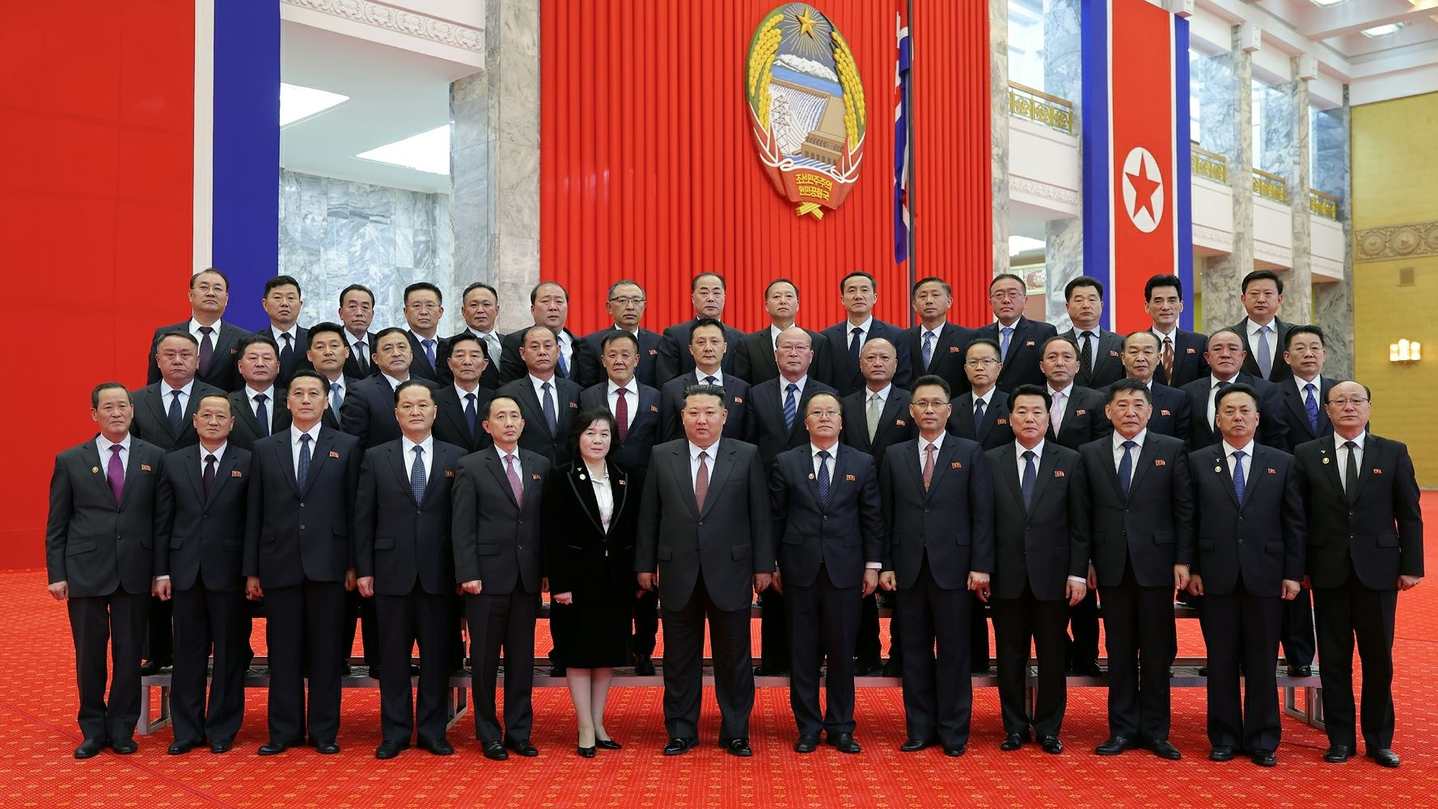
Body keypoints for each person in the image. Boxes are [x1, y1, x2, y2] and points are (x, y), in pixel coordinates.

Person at [636, 384, 774, 757]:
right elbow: (649, 515)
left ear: (724, 416)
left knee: (734, 657)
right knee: (680, 659)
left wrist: (763, 566)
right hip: (677, 570)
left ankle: (735, 731)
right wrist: (644, 564)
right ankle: (681, 730)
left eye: (710, 412)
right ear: (682, 417)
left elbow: (760, 515)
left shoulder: (745, 455)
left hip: (731, 571)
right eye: (694, 412)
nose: (702, 419)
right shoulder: (662, 455)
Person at [1295, 382, 1423, 769]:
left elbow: (1410, 512)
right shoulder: (1306, 454)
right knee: (1334, 660)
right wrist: (1299, 567)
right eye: (1340, 402)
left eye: (1356, 401)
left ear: (1368, 407)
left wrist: (1411, 566)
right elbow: (1298, 518)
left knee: (1378, 659)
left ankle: (1379, 740)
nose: (1349, 407)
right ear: (1328, 410)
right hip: (1327, 571)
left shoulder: (1393, 451)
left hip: (1379, 572)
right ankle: (1340, 739)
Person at [1185, 383, 1304, 767]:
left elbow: (1294, 523)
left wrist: (1292, 573)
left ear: (1257, 418)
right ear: (1216, 419)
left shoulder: (1281, 461)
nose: (1237, 417)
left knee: (1262, 660)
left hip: (1266, 576)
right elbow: (1189, 519)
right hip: (1215, 576)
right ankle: (1223, 737)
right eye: (1229, 410)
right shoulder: (1198, 460)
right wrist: (1194, 568)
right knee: (1220, 660)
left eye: (1244, 411)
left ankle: (1263, 739)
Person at [243, 370, 361, 756]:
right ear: (287, 402)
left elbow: (353, 510)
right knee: (283, 651)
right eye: (298, 393)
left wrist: (353, 564)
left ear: (327, 401)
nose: (306, 399)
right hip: (279, 563)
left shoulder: (346, 445)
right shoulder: (265, 448)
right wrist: (252, 569)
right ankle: (284, 731)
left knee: (327, 652)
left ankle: (324, 731)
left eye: (315, 393)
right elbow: (254, 512)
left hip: (329, 563)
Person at [46, 383, 165, 759]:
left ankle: (122, 727)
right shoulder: (70, 459)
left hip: (135, 569)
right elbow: (57, 523)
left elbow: (161, 521)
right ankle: (93, 728)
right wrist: (57, 572)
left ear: (133, 411)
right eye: (108, 407)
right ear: (94, 415)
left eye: (123, 406)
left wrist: (160, 571)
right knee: (90, 654)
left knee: (129, 654)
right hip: (85, 570)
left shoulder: (154, 457)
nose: (116, 413)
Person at [878, 375, 994, 757]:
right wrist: (887, 564)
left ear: (949, 409)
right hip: (909, 570)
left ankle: (954, 732)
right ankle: (920, 729)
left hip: (956, 569)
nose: (929, 410)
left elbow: (982, 513)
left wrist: (980, 565)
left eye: (936, 403)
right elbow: (886, 515)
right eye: (922, 404)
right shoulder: (895, 455)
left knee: (954, 653)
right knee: (913, 652)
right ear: (911, 411)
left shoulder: (970, 450)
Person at [1077, 379, 1193, 760]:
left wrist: (1182, 560)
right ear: (1108, 412)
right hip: (1109, 566)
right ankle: (1123, 729)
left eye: (1137, 405)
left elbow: (1184, 510)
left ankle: (1157, 731)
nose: (1130, 412)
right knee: (1120, 649)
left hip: (1157, 565)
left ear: (1149, 411)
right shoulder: (1089, 453)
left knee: (1158, 651)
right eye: (1122, 405)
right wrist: (1087, 561)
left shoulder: (1172, 449)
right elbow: (1083, 515)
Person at [353, 381, 464, 760]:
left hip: (439, 573)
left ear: (435, 411)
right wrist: (364, 568)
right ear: (396, 413)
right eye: (407, 406)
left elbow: (463, 523)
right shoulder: (375, 456)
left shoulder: (456, 457)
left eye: (423, 405)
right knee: (393, 659)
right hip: (390, 572)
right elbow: (363, 517)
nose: (415, 411)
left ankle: (433, 731)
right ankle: (395, 732)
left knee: (436, 659)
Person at [770, 391, 884, 754]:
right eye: (816, 413)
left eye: (830, 412)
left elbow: (872, 518)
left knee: (841, 654)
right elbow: (774, 518)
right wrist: (770, 564)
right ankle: (807, 727)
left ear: (841, 421)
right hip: (797, 571)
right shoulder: (786, 462)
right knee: (801, 654)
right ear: (805, 422)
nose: (823, 418)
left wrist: (872, 567)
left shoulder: (862, 462)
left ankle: (840, 727)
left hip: (845, 572)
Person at [985, 384, 1089, 755]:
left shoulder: (1070, 460)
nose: (1030, 418)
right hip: (1006, 577)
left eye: (1037, 412)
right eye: (1022, 412)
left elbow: (1080, 525)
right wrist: (983, 568)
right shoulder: (991, 459)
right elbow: (983, 522)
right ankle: (1013, 727)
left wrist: (1077, 573)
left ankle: (1048, 728)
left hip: (1054, 577)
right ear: (1010, 418)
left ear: (1049, 417)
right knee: (1010, 657)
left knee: (1052, 656)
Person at [152, 393, 250, 755]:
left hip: (229, 574)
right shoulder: (174, 462)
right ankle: (187, 730)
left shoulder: (248, 462)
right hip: (184, 573)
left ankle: (223, 728)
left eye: (220, 416)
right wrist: (161, 571)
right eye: (206, 415)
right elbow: (162, 522)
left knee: (229, 654)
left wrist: (250, 571)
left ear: (231, 423)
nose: (213, 421)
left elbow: (253, 522)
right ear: (194, 421)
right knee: (188, 655)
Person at [452, 395, 549, 761]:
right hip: (485, 580)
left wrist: (545, 572)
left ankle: (519, 732)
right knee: (485, 661)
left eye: (515, 416)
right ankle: (488, 733)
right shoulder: (471, 466)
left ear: (523, 424)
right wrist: (468, 572)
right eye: (501, 417)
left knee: (522, 660)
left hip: (525, 580)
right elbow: (461, 526)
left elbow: (541, 524)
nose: (509, 422)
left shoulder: (539, 464)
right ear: (487, 425)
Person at [542, 409, 639, 757]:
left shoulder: (624, 476)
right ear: (577, 438)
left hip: (614, 581)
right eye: (590, 433)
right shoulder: (562, 476)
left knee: (605, 655)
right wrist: (561, 584)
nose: (597, 440)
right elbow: (553, 534)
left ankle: (599, 723)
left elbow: (629, 531)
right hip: (576, 581)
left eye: (604, 434)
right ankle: (584, 725)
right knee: (579, 654)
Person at [744, 327, 838, 676]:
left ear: (811, 356)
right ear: (776, 354)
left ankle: (816, 659)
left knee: (811, 581)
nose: (794, 353)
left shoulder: (827, 396)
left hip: (813, 502)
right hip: (768, 498)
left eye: (801, 348)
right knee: (772, 579)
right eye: (787, 347)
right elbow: (750, 446)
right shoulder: (757, 394)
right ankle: (774, 659)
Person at [580, 331, 664, 675]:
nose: (619, 360)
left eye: (626, 354)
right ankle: (612, 645)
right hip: (602, 491)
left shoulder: (657, 396)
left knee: (644, 571)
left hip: (646, 493)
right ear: (603, 360)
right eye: (612, 355)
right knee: (608, 571)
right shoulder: (587, 397)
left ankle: (643, 647)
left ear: (637, 359)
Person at [838, 338, 914, 676]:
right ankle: (865, 652)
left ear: (896, 364)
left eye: (885, 357)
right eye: (871, 357)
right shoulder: (844, 404)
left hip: (901, 504)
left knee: (901, 583)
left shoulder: (910, 404)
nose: (878, 362)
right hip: (853, 505)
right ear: (860, 363)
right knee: (860, 582)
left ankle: (900, 654)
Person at [1273, 324, 1336, 677]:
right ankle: (1298, 652)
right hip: (1289, 492)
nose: (1308, 353)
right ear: (1287, 357)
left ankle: (1327, 657)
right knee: (1293, 575)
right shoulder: (1272, 395)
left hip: (1332, 502)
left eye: (1315, 347)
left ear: (1325, 354)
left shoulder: (1340, 392)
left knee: (1327, 580)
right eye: (1300, 348)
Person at [1180, 329, 1290, 450]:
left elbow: (1276, 438)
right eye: (1217, 349)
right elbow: (1183, 440)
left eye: (1232, 349)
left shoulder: (1265, 390)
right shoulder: (1188, 392)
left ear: (1243, 356)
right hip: (1200, 466)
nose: (1225, 354)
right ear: (1207, 357)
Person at [146, 267, 251, 392]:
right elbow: (154, 384)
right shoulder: (165, 335)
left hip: (225, 408)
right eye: (204, 287)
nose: (210, 293)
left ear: (226, 298)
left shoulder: (243, 338)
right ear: (191, 295)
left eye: (217, 289)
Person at [497, 325, 583, 467]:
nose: (542, 352)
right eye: (535, 347)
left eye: (548, 346)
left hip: (569, 473)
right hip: (527, 471)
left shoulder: (576, 392)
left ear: (558, 351)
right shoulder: (508, 394)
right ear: (522, 353)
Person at [342, 327, 441, 451]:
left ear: (411, 354)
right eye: (388, 349)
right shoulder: (361, 392)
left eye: (402, 347)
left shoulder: (431, 388)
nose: (396, 353)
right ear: (375, 358)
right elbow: (353, 444)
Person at [131, 331, 226, 453]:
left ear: (197, 361)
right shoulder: (138, 399)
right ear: (158, 360)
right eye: (170, 355)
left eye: (185, 355)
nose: (177, 361)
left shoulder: (219, 398)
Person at [822, 271, 912, 397]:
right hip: (837, 410)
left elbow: (903, 381)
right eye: (851, 290)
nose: (858, 296)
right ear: (842, 299)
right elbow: (823, 380)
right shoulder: (827, 337)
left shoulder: (895, 335)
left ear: (875, 297)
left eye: (864, 290)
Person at [659, 317, 750, 441]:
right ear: (691, 349)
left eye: (714, 341)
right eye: (701, 342)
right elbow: (668, 439)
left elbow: (747, 437)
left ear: (725, 347)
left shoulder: (742, 389)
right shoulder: (672, 389)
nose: (708, 348)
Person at [498, 282, 600, 387]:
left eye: (559, 301)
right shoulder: (516, 341)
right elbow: (508, 386)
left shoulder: (581, 344)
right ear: (533, 309)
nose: (553, 307)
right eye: (545, 301)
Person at [732, 278, 832, 386]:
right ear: (766, 306)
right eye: (776, 297)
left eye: (789, 296)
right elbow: (742, 386)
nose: (783, 301)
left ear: (797, 305)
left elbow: (824, 384)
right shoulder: (748, 344)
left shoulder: (818, 341)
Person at [655, 273, 745, 384]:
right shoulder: (675, 335)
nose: (710, 299)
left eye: (716, 293)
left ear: (724, 297)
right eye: (704, 293)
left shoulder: (740, 339)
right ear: (692, 298)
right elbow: (667, 383)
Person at [975, 273, 1056, 393]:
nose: (1006, 300)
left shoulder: (1044, 332)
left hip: (1028, 405)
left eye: (1013, 294)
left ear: (1025, 299)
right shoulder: (980, 335)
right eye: (999, 295)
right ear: (990, 302)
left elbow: (1050, 373)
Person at [1109, 330, 1190, 445]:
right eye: (1133, 352)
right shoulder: (1104, 395)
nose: (1140, 358)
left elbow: (1182, 445)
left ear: (1158, 358)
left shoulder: (1177, 399)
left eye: (1147, 352)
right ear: (1123, 358)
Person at [581, 280, 663, 389]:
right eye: (622, 300)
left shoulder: (658, 342)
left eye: (636, 301)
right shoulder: (591, 344)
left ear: (644, 306)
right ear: (609, 307)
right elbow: (588, 389)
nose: (630, 307)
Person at [904, 276, 976, 396]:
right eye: (923, 296)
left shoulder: (967, 337)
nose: (929, 300)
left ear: (949, 302)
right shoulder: (904, 338)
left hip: (954, 408)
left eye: (935, 295)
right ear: (915, 305)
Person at [432, 332, 494, 454]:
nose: (467, 362)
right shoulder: (434, 400)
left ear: (484, 364)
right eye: (460, 355)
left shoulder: (496, 400)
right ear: (450, 363)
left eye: (474, 356)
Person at [1143, 274, 1208, 389]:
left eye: (1172, 300)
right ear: (1147, 307)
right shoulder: (1137, 344)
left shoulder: (1199, 343)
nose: (1165, 307)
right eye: (1158, 301)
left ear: (1181, 305)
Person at [225, 335, 289, 452]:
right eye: (253, 358)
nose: (260, 364)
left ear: (278, 366)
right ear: (240, 366)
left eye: (267, 358)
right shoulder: (227, 403)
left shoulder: (292, 401)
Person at [949, 338, 1014, 451]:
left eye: (987, 361)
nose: (979, 368)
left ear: (999, 367)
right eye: (973, 362)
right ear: (965, 368)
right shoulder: (953, 407)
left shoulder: (1012, 405)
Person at [437, 282, 504, 390]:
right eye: (473, 305)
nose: (480, 310)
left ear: (497, 310)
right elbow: (448, 388)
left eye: (486, 305)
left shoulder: (511, 343)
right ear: (463, 311)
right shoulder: (449, 345)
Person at [1232, 270, 1295, 384]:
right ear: (1243, 299)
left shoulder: (1295, 334)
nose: (1261, 299)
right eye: (1254, 293)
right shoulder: (1229, 336)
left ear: (1279, 299)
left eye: (1268, 293)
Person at [1064, 278, 1125, 390]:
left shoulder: (1120, 343)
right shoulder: (1057, 343)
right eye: (1078, 300)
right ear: (1067, 307)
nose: (1086, 305)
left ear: (1101, 305)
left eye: (1092, 299)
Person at [305, 322, 359, 433]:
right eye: (320, 347)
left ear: (346, 352)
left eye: (334, 346)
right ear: (309, 355)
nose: (328, 352)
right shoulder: (301, 394)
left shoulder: (363, 389)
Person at [262, 275, 309, 387]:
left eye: (291, 298)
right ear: (265, 304)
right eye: (277, 298)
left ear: (300, 304)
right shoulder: (253, 343)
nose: (284, 303)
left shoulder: (313, 340)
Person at [402, 282, 446, 382]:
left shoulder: (450, 347)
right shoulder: (399, 348)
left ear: (440, 311)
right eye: (417, 305)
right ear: (406, 312)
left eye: (430, 305)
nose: (423, 312)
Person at [338, 284, 380, 380]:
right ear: (341, 313)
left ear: (372, 314)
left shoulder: (380, 343)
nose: (359, 313)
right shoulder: (332, 344)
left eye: (365, 307)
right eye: (352, 306)